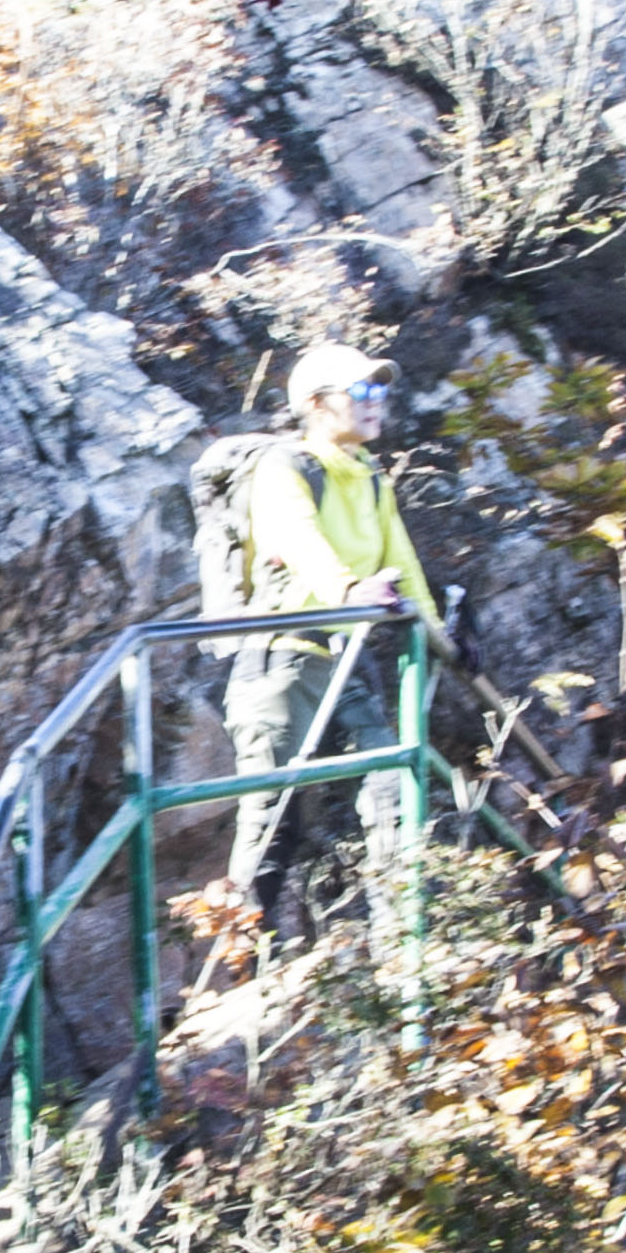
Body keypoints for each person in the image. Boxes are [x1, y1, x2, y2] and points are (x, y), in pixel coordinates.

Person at [220, 342, 439, 931]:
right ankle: (242, 956)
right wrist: (347, 589)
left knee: (394, 787)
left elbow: (403, 563)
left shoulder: (370, 478)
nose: (376, 401)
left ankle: (403, 942)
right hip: (282, 660)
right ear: (316, 404)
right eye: (361, 390)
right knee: (271, 818)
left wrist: (439, 635)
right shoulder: (286, 466)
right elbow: (297, 537)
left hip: (343, 660)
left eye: (380, 389)